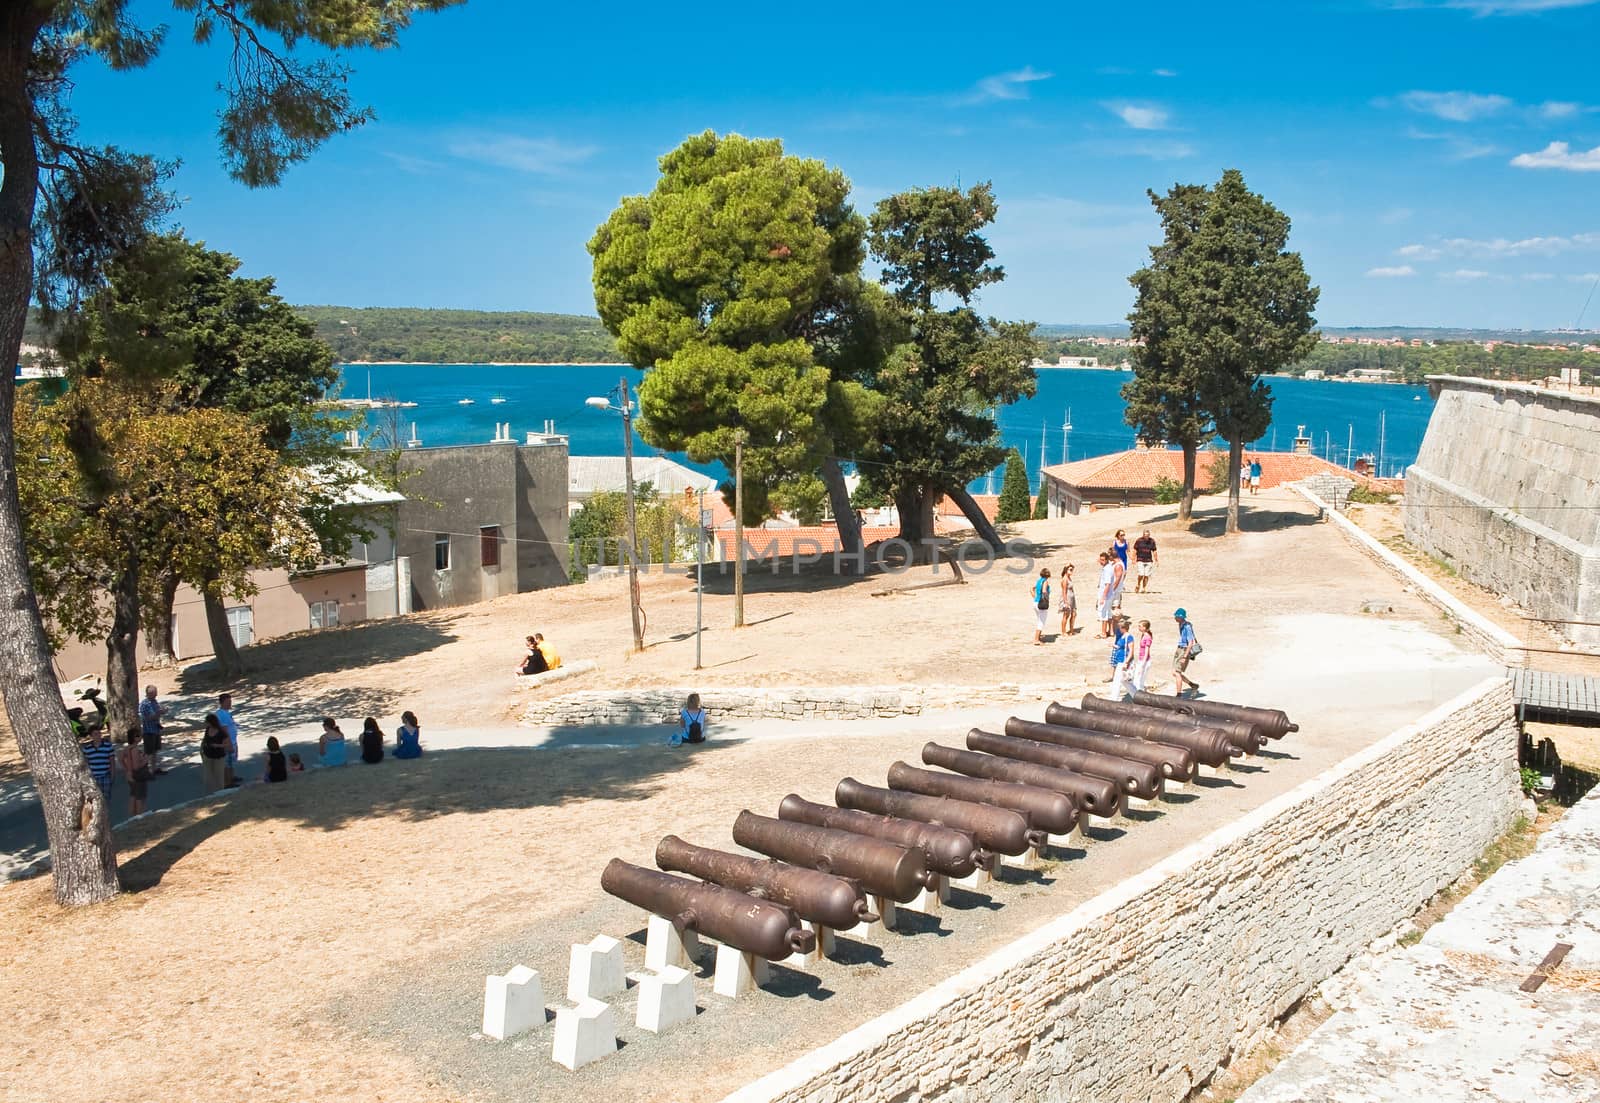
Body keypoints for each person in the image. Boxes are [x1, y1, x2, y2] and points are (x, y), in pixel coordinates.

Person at [118, 725, 151, 815]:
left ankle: (132, 816)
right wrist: (145, 760)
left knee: (133, 795)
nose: (140, 737)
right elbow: (136, 766)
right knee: (140, 797)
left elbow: (120, 759)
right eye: (138, 735)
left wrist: (127, 769)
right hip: (138, 776)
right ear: (135, 738)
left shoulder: (127, 749)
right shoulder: (135, 750)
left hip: (130, 776)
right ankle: (140, 816)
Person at [1172, 608, 1202, 698]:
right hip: (1180, 649)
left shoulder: (1187, 627)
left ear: (1180, 617)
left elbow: (1190, 642)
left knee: (1177, 673)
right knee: (1175, 672)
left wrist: (1185, 656)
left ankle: (1178, 694)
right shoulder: (1181, 624)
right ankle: (1193, 685)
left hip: (1184, 650)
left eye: (1176, 616)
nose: (1175, 618)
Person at [138, 684, 167, 775]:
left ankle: (154, 769)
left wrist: (163, 711)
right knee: (148, 752)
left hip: (156, 729)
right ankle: (146, 770)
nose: (156, 695)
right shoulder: (144, 704)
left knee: (154, 751)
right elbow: (148, 718)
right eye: (154, 693)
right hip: (148, 731)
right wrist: (158, 713)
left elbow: (157, 713)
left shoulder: (154, 702)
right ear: (149, 693)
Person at [199, 712, 230, 794]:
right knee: (208, 777)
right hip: (207, 755)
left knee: (219, 777)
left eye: (207, 722)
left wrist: (218, 745)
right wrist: (201, 749)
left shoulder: (221, 732)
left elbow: (227, 744)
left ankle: (220, 794)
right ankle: (209, 794)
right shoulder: (207, 729)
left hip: (218, 757)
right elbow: (205, 739)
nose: (206, 724)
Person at [82, 728, 116, 800]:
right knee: (96, 798)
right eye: (95, 734)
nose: (98, 736)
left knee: (106, 797)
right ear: (91, 736)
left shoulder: (107, 746)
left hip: (105, 775)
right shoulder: (87, 749)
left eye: (99, 733)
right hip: (93, 776)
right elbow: (86, 763)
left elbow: (112, 761)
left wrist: (112, 775)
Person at [216, 692, 240, 788]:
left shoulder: (226, 713)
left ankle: (232, 777)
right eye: (228, 701)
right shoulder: (222, 714)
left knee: (231, 761)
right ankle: (227, 782)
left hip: (233, 741)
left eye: (230, 701)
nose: (230, 703)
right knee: (227, 763)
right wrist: (229, 744)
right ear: (222, 702)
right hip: (228, 742)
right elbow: (225, 731)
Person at [1109, 617, 1134, 699]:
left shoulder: (1129, 637)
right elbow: (1120, 647)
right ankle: (1135, 695)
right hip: (1119, 660)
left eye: (1119, 628)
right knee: (1124, 681)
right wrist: (1113, 646)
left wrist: (1126, 662)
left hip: (1123, 661)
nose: (1118, 629)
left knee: (1117, 681)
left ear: (1123, 628)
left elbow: (1131, 651)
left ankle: (1113, 698)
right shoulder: (1123, 636)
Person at [1095, 552, 1116, 638]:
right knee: (1109, 613)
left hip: (1106, 594)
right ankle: (1111, 631)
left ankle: (1103, 632)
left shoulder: (1107, 569)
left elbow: (1107, 584)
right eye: (1100, 559)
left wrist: (1103, 597)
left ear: (1107, 560)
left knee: (1103, 613)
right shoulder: (1108, 567)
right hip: (1109, 594)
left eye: (1103, 560)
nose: (1101, 561)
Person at [1133, 529, 1159, 594]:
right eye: (1145, 535)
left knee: (1146, 575)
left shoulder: (1152, 541)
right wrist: (1134, 559)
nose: (1146, 536)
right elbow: (1135, 550)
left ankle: (1144, 588)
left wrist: (1156, 560)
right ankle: (1138, 584)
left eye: (1147, 535)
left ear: (1149, 535)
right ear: (1143, 535)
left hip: (1148, 560)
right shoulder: (1139, 540)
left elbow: (1154, 551)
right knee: (1141, 574)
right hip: (1140, 559)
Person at [1132, 619, 1154, 692]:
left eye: (1140, 626)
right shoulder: (1144, 635)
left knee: (1138, 678)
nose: (1138, 628)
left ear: (1144, 628)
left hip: (1144, 660)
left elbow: (1147, 651)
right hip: (1141, 659)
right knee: (1139, 678)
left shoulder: (1147, 637)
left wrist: (1143, 663)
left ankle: (1139, 693)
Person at [1031, 567, 1052, 645]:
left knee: (1039, 620)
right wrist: (1046, 600)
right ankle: (1036, 639)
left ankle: (1038, 637)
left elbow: (1031, 589)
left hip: (1035, 602)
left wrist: (1035, 597)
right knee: (1041, 621)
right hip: (1041, 603)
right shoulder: (1045, 581)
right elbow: (1044, 591)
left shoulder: (1038, 581)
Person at [1058, 563, 1078, 637]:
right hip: (1067, 598)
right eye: (1070, 569)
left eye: (1072, 569)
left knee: (1074, 614)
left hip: (1072, 598)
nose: (1072, 571)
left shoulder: (1069, 578)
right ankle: (1063, 631)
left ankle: (1071, 630)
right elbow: (1064, 591)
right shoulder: (1065, 579)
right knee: (1066, 615)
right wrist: (1065, 602)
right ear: (1066, 570)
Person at [1109, 549, 1127, 613]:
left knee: (1115, 607)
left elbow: (1117, 578)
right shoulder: (1117, 563)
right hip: (1115, 588)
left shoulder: (1118, 565)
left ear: (1112, 556)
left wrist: (1112, 589)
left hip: (1115, 589)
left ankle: (1117, 619)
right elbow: (1124, 574)